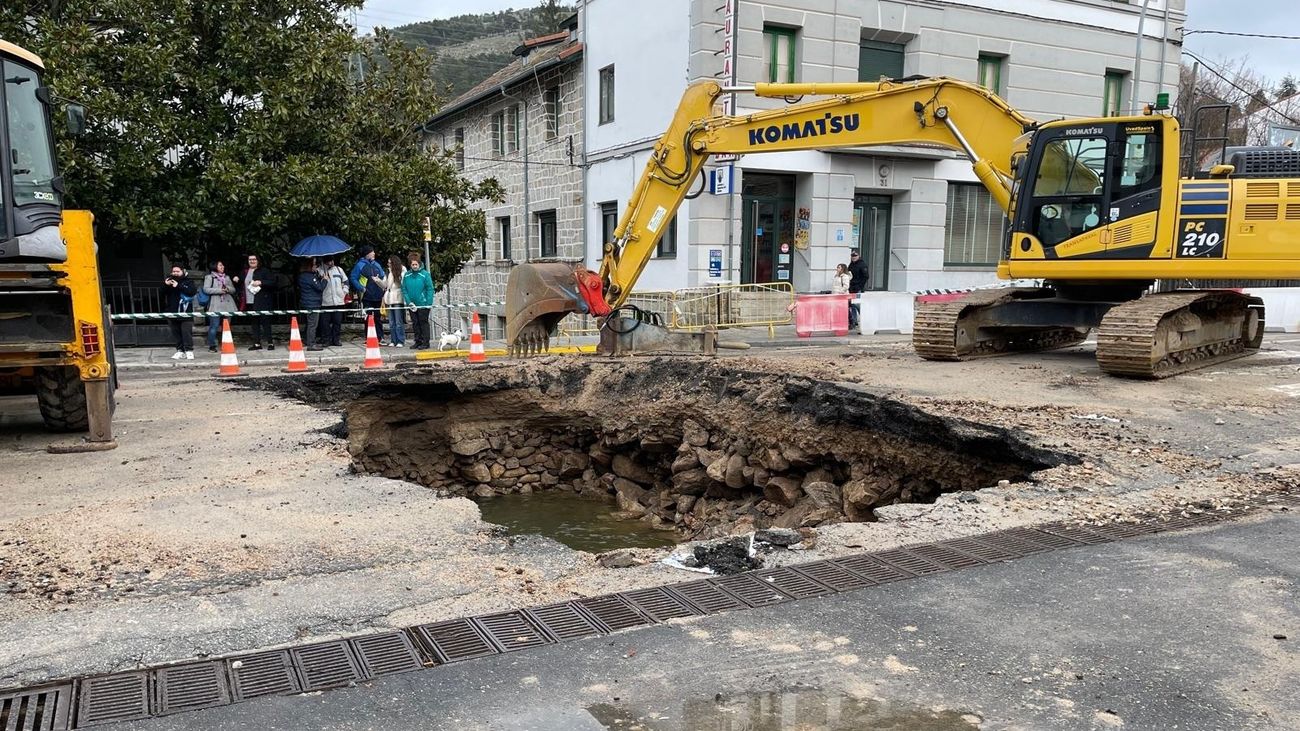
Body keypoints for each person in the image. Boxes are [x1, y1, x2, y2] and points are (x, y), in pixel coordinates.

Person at [349, 246, 387, 342]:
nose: (374, 253)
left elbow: (383, 276)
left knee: (378, 318)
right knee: (367, 317)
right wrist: (361, 288)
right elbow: (353, 277)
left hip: (378, 295)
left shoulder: (377, 264)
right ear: (367, 254)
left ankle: (380, 337)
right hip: (366, 296)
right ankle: (368, 337)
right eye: (372, 252)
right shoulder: (360, 265)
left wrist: (383, 287)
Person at [161, 264, 197, 360]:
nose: (175, 273)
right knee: (176, 333)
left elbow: (192, 291)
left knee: (186, 332)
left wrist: (178, 286)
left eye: (177, 271)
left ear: (183, 271)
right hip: (172, 312)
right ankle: (180, 350)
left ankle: (189, 351)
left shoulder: (188, 281)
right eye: (174, 271)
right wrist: (165, 285)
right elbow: (161, 293)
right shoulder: (169, 281)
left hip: (185, 312)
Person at [242, 254, 277, 350]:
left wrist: (261, 282)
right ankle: (257, 343)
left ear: (258, 260)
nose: (252, 261)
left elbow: (273, 282)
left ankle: (270, 343)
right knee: (254, 322)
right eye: (250, 259)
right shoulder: (246, 271)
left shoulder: (264, 271)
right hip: (249, 301)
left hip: (262, 300)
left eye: (254, 259)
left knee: (265, 321)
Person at [202, 260, 238, 352]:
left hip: (228, 304)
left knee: (227, 326)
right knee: (214, 325)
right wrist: (220, 290)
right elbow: (206, 289)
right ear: (214, 266)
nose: (222, 267)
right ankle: (212, 345)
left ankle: (226, 344)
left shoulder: (227, 277)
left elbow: (233, 289)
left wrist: (227, 289)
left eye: (222, 265)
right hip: (215, 304)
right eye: (220, 265)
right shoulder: (209, 277)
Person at [402, 254, 435, 350]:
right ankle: (418, 341)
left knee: (423, 322)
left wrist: (428, 303)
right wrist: (408, 302)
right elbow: (404, 289)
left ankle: (425, 342)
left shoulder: (425, 274)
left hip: (423, 304)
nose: (414, 266)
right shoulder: (407, 275)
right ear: (410, 265)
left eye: (416, 264)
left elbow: (430, 289)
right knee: (415, 323)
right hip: (412, 304)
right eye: (413, 265)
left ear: (419, 264)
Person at [318, 255, 348, 347]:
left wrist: (344, 292)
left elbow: (346, 281)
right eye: (329, 261)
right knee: (325, 323)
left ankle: (336, 339)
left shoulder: (339, 269)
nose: (331, 263)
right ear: (325, 262)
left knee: (337, 322)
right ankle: (326, 340)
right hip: (326, 301)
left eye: (332, 261)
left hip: (338, 301)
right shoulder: (320, 270)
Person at [297, 259, 326, 351]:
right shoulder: (310, 277)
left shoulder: (302, 276)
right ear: (309, 266)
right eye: (314, 265)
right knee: (312, 325)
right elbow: (319, 288)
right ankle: (311, 344)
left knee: (309, 323)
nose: (316, 267)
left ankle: (306, 340)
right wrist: (325, 280)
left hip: (305, 302)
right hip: (313, 303)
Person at [383, 254, 407, 347]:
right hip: (390, 298)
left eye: (390, 263)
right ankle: (393, 340)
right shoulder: (388, 272)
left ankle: (400, 340)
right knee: (391, 322)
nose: (388, 265)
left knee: (398, 321)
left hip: (397, 298)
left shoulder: (402, 271)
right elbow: (385, 285)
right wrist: (377, 280)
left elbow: (403, 284)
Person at [846, 249, 869, 328]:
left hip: (858, 288)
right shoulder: (851, 264)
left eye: (855, 256)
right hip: (851, 288)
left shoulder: (862, 264)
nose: (853, 257)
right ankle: (854, 322)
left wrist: (860, 286)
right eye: (852, 256)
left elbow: (866, 277)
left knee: (857, 304)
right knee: (852, 304)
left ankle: (866, 320)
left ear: (859, 256)